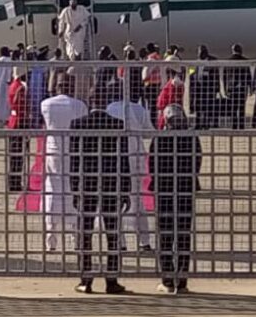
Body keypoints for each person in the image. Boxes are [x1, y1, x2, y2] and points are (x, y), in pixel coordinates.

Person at [70, 87, 131, 295]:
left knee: (85, 232)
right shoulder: (117, 124)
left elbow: (74, 160)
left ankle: (85, 278)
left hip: (86, 184)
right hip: (111, 184)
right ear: (106, 103)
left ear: (89, 101)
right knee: (112, 233)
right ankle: (112, 279)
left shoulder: (78, 124)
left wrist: (74, 188)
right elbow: (124, 160)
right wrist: (126, 189)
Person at [150, 104, 202, 294]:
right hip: (185, 189)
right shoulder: (191, 137)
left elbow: (153, 164)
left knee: (165, 235)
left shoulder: (160, 138)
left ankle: (167, 279)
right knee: (183, 235)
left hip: (164, 190)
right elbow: (197, 162)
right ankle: (181, 280)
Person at [40, 74, 89, 251]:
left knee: (52, 191)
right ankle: (76, 239)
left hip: (53, 151)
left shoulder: (46, 104)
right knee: (73, 192)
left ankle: (50, 241)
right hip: (74, 151)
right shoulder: (80, 105)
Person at [105, 80, 153, 251]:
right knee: (138, 201)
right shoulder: (138, 108)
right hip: (137, 158)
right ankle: (144, 241)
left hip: (116, 160)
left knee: (116, 202)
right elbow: (149, 133)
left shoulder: (109, 109)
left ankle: (120, 243)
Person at [6, 67, 31, 192]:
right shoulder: (21, 88)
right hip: (19, 122)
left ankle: (14, 181)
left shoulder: (12, 85)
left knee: (14, 154)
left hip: (13, 120)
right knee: (19, 155)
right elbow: (21, 105)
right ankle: (15, 182)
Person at [190, 45, 220, 129]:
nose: (199, 55)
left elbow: (216, 76)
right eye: (198, 53)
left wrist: (217, 89)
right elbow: (191, 76)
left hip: (209, 89)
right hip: (198, 89)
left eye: (201, 53)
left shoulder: (212, 62)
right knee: (198, 107)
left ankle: (207, 123)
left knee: (208, 107)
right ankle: (198, 124)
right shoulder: (194, 63)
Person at [223, 44, 252, 129]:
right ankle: (241, 125)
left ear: (233, 50)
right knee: (242, 107)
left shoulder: (228, 61)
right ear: (241, 50)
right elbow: (248, 75)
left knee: (233, 107)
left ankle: (234, 125)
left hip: (232, 88)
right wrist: (250, 87)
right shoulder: (245, 61)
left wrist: (225, 88)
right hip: (242, 87)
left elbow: (225, 77)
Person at [156, 65, 185, 130]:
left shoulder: (175, 82)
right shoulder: (173, 81)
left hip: (169, 112)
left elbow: (172, 98)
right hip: (167, 110)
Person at [142, 44, 164, 125]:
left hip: (150, 85)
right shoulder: (158, 58)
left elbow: (145, 74)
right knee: (154, 105)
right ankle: (154, 121)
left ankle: (152, 123)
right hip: (157, 84)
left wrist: (144, 80)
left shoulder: (151, 59)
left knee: (151, 106)